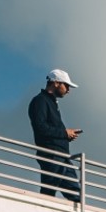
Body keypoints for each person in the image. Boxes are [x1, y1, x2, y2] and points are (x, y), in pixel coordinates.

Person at [27, 69, 82, 201]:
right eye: (67, 85)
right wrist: (64, 133)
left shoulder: (49, 102)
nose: (68, 90)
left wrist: (66, 135)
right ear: (56, 83)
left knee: (76, 195)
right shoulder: (40, 101)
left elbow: (47, 128)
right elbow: (40, 128)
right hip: (51, 155)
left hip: (61, 156)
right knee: (49, 191)